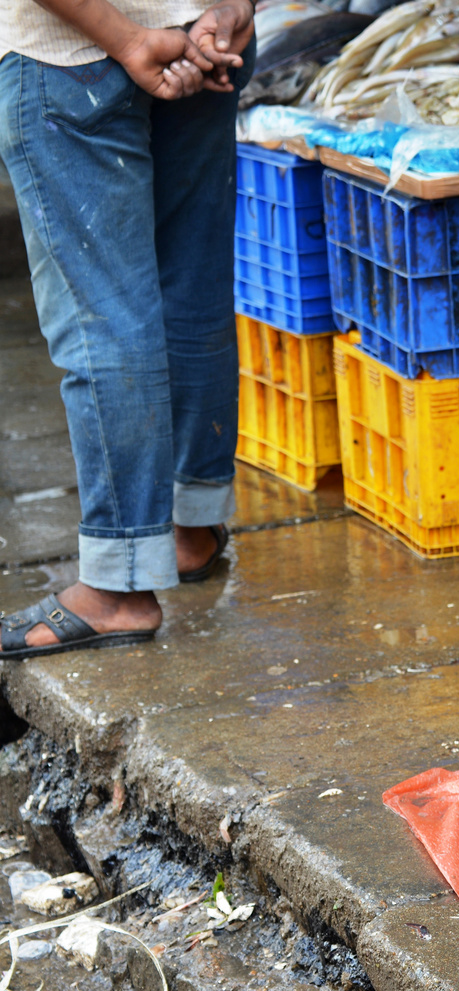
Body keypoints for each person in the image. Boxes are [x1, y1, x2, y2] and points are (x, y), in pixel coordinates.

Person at [0, 0, 253, 658]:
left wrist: (130, 39)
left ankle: (118, 586)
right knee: (189, 283)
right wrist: (230, 9)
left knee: (101, 316)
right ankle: (189, 529)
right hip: (202, 36)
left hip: (72, 53)